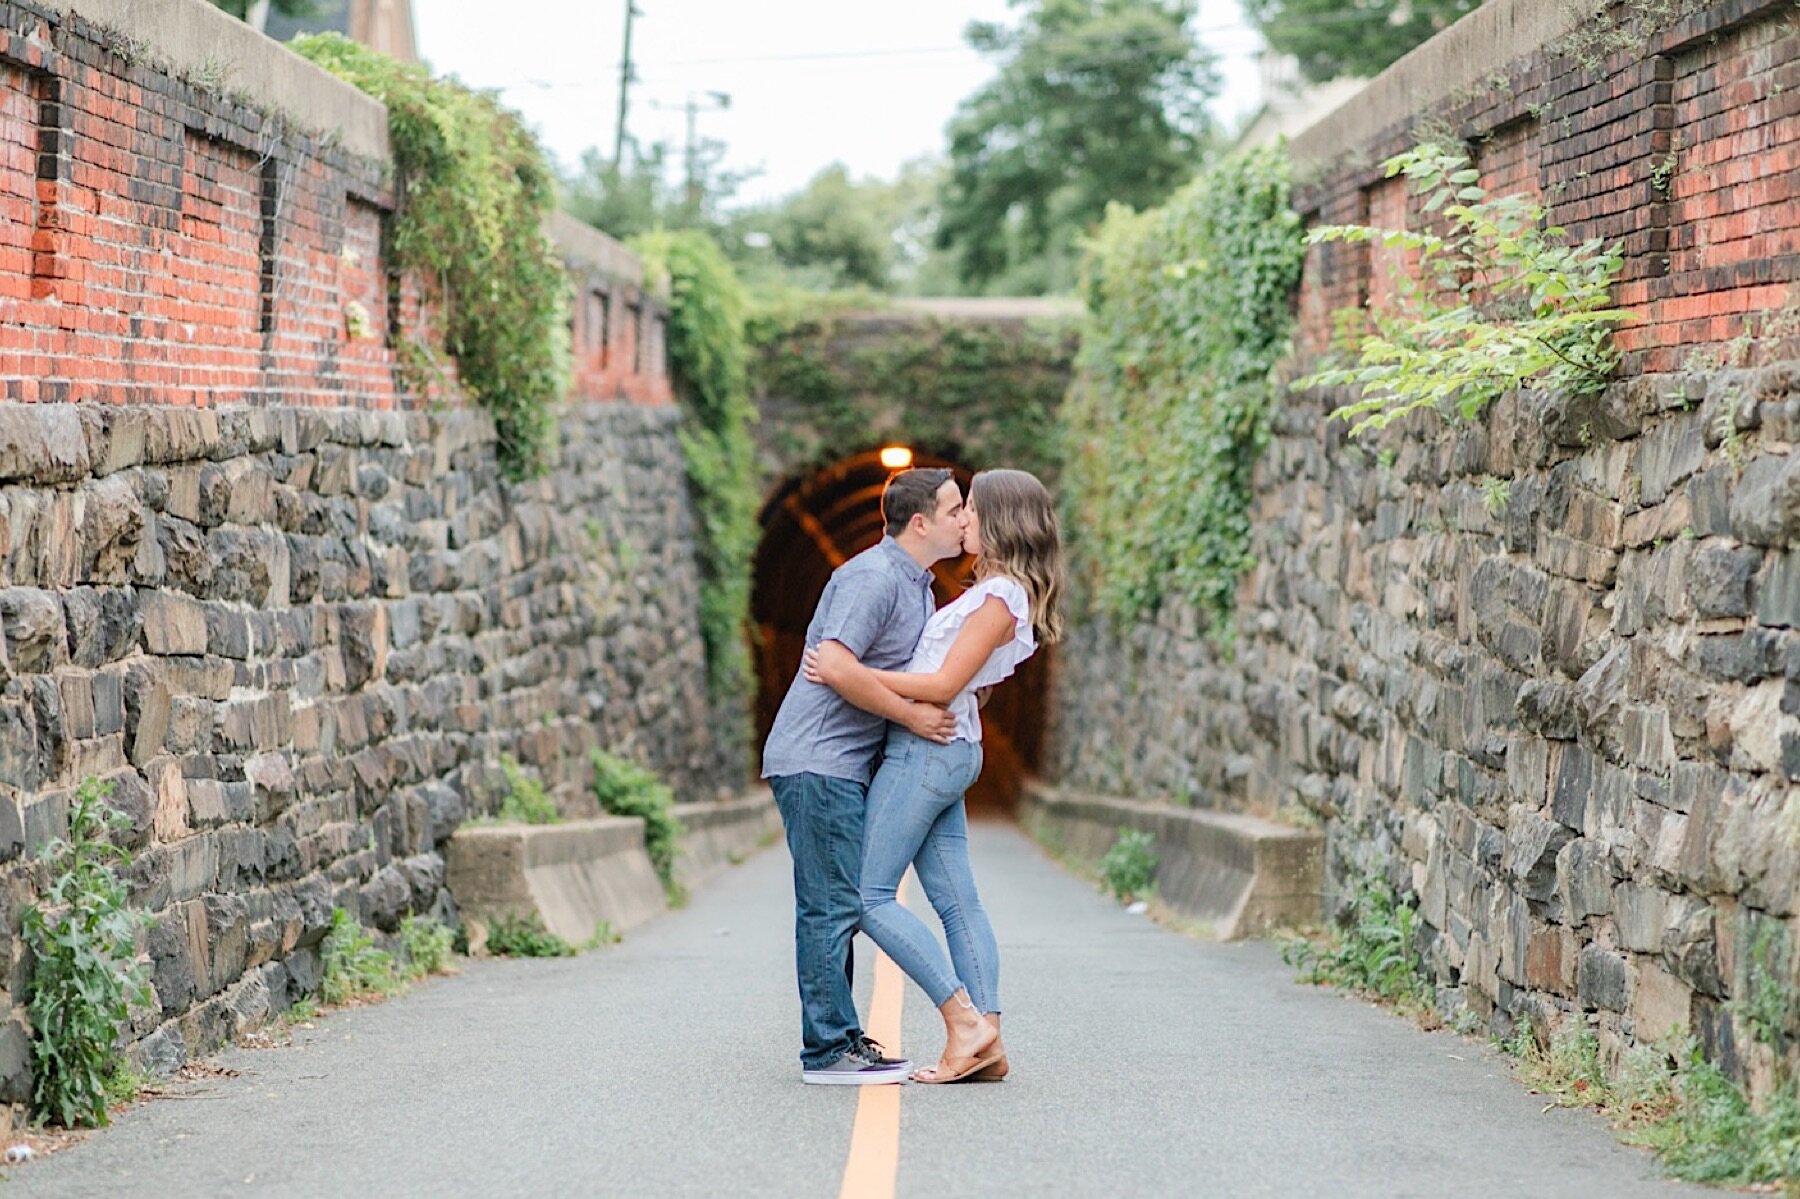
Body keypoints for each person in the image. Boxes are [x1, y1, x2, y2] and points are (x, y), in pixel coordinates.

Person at [805, 468, 1063, 1084]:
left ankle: (966, 1023)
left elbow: (946, 685)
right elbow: (977, 684)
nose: (964, 518)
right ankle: (987, 1044)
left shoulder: (1000, 599)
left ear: (1000, 519)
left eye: (972, 508)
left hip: (926, 756)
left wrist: (851, 674)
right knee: (956, 899)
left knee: (865, 896)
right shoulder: (1001, 593)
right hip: (947, 750)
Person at [762, 467, 968, 1085]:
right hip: (818, 758)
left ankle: (843, 1035)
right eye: (956, 509)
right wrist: (911, 715)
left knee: (841, 901)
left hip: (843, 763)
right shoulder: (873, 577)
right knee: (829, 905)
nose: (965, 519)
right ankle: (825, 1051)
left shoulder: (918, 586)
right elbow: (835, 663)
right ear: (921, 522)